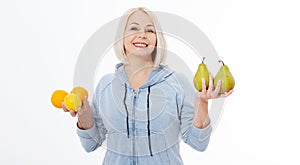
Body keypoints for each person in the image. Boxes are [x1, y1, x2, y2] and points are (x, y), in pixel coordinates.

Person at [63, 7, 233, 165]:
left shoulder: (177, 83)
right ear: (121, 38)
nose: (142, 34)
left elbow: (198, 143)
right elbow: (91, 144)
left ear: (157, 40)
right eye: (134, 28)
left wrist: (202, 102)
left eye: (150, 30)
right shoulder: (105, 85)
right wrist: (83, 114)